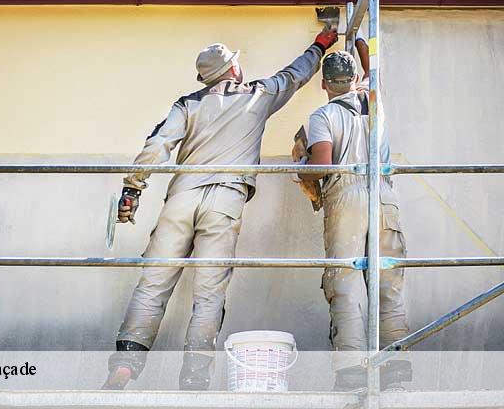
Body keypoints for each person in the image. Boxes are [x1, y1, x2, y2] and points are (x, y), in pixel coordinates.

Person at [102, 27, 338, 390]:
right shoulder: (258, 95)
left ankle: (124, 366)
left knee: (152, 285)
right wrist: (321, 44)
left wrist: (132, 189)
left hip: (181, 199)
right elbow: (295, 75)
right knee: (209, 294)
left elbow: (157, 145)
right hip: (225, 200)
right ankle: (195, 378)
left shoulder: (187, 104)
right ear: (233, 69)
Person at [300, 37, 411, 390]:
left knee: (346, 284)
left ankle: (351, 372)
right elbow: (371, 71)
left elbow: (322, 166)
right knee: (388, 282)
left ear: (323, 84)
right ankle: (396, 371)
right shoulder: (374, 102)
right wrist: (361, 40)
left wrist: (300, 164)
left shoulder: (324, 115)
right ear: (354, 80)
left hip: (346, 196)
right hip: (383, 193)